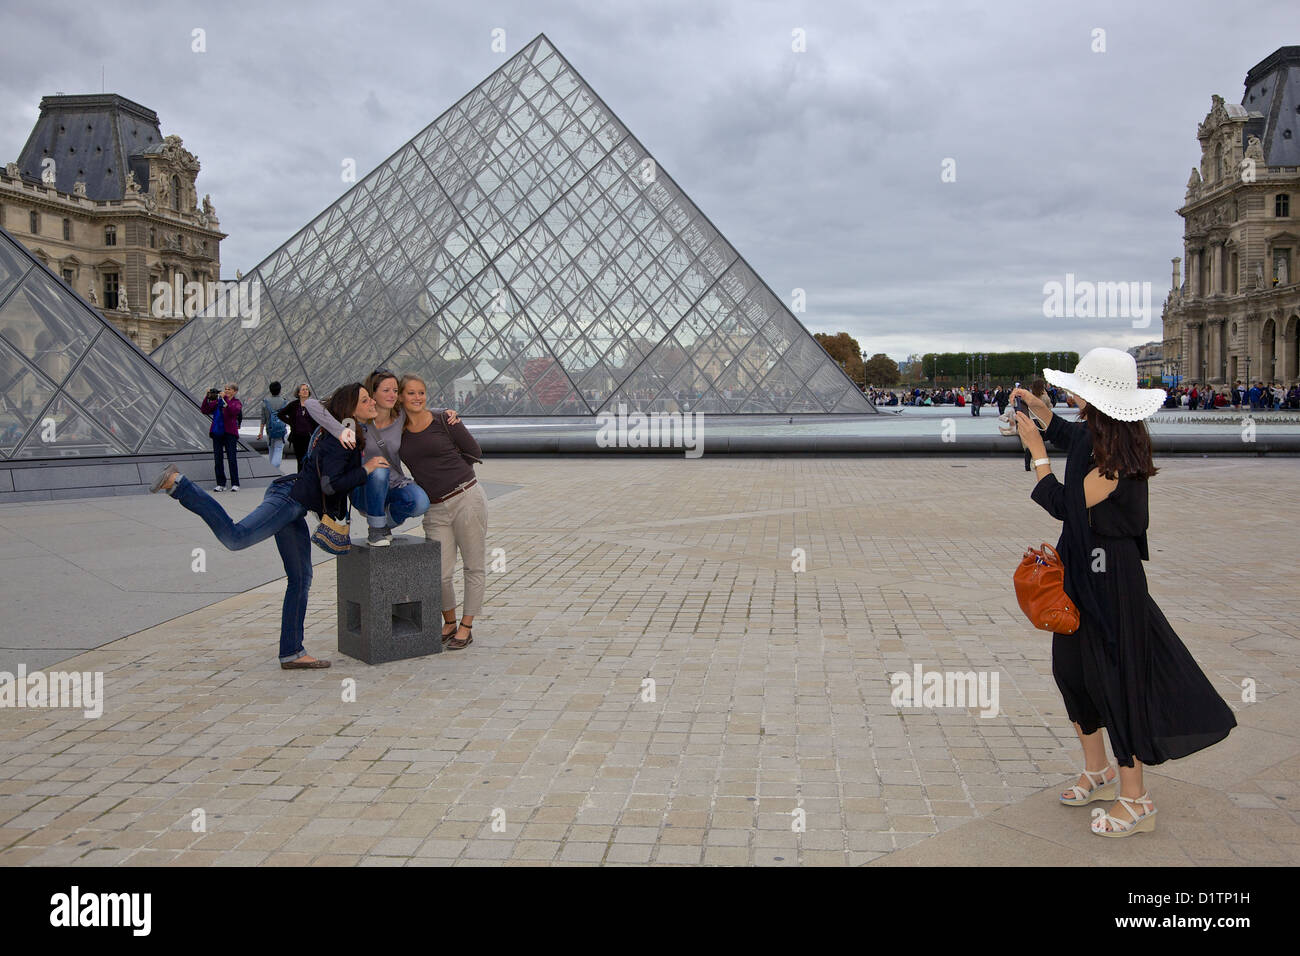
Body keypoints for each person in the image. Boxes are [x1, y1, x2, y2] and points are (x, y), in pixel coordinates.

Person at [1013, 348, 1236, 838]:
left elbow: (1062, 503)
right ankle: (1098, 771)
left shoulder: (1114, 460)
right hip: (1082, 574)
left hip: (1110, 583)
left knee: (1116, 685)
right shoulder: (1103, 435)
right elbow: (1075, 436)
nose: (1073, 397)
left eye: (1080, 391)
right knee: (1072, 674)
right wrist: (1044, 415)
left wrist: (1036, 449)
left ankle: (1136, 800)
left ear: (1099, 401)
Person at [150, 383, 385, 669]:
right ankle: (180, 484)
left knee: (300, 579)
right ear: (351, 408)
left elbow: (315, 408)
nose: (372, 401)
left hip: (293, 504)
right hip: (288, 501)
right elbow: (331, 484)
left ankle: (292, 652)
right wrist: (366, 470)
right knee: (236, 537)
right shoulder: (341, 439)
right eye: (365, 399)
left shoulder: (342, 431)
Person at [397, 374, 486, 650]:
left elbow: (474, 451)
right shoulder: (396, 430)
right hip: (434, 508)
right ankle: (449, 621)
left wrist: (449, 471)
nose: (417, 397)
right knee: (440, 573)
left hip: (466, 497)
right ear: (400, 397)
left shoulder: (444, 420)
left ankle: (466, 626)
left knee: (473, 566)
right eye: (411, 393)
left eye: (421, 392)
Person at [305, 369, 430, 547]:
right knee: (379, 469)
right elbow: (311, 404)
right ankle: (376, 530)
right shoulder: (356, 419)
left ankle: (380, 523)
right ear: (373, 393)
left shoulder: (400, 415)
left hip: (395, 484)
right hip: (363, 487)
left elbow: (423, 411)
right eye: (386, 390)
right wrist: (340, 430)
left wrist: (448, 413)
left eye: (395, 390)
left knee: (420, 503)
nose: (392, 395)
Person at [201, 383, 242, 492]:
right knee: (218, 459)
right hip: (217, 433)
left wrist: (225, 400)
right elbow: (204, 410)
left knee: (232, 458)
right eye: (225, 389)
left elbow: (232, 412)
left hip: (230, 433)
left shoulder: (236, 403)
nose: (226, 391)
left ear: (235, 391)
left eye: (229, 389)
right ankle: (220, 483)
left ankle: (235, 483)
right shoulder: (218, 402)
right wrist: (207, 396)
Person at [278, 383, 315, 465]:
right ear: (298, 393)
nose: (306, 391)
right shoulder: (293, 405)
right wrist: (291, 422)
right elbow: (280, 414)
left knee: (309, 460)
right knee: (300, 460)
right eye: (303, 389)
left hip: (309, 436)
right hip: (297, 436)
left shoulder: (313, 404)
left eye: (307, 389)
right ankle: (300, 476)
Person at [258, 381, 289, 468]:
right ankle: (274, 469)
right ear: (280, 390)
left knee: (271, 451)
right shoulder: (284, 402)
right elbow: (287, 417)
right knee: (278, 450)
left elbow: (263, 419)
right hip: (281, 431)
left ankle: (272, 470)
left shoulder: (265, 402)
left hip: (269, 430)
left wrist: (260, 432)